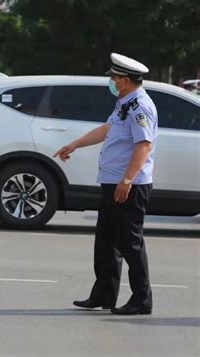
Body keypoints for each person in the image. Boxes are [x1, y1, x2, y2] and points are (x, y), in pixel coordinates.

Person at [54, 53, 158, 315]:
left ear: (124, 80)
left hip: (128, 185)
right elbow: (108, 129)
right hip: (112, 183)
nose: (111, 81)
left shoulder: (140, 107)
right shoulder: (124, 102)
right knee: (106, 242)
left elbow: (144, 146)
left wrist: (127, 179)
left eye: (115, 77)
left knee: (130, 244)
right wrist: (76, 143)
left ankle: (141, 300)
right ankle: (104, 295)